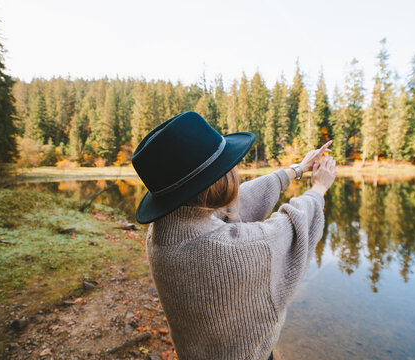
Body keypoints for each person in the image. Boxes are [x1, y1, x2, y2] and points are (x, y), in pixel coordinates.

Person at [132, 111, 338, 360]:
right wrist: (318, 189)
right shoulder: (229, 251)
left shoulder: (161, 233)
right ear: (218, 182)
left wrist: (296, 170)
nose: (235, 169)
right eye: (230, 164)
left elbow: (229, 205)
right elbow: (291, 229)